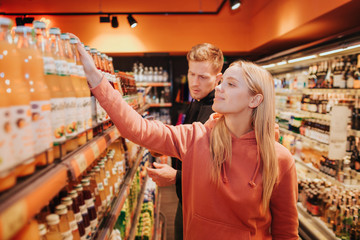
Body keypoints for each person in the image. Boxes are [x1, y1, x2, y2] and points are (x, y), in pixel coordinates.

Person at [74, 36, 299, 239]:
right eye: (222, 83)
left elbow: (286, 233)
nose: (219, 89)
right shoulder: (196, 137)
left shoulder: (279, 160)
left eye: (230, 84)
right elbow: (138, 129)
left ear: (255, 100)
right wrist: (96, 79)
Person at [147, 43, 223, 240]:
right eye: (191, 74)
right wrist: (169, 149)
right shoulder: (197, 100)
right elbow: (195, 148)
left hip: (206, 212)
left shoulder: (220, 114)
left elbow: (221, 173)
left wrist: (177, 177)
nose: (195, 83)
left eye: (203, 77)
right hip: (187, 200)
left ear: (218, 78)